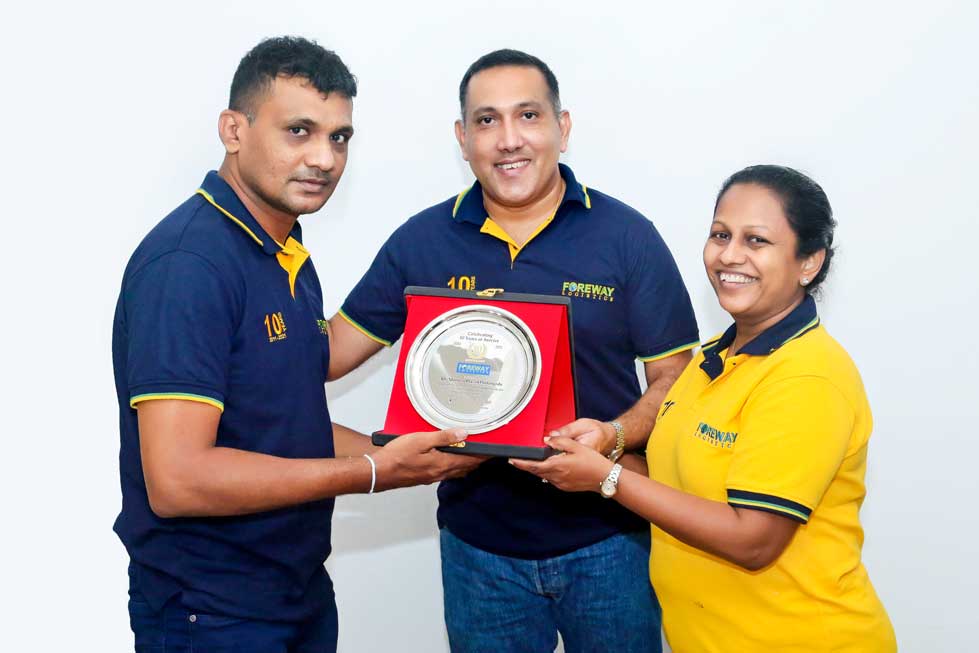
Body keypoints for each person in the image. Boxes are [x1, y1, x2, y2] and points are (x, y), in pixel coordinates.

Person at [112, 36, 480, 653]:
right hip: (211, 607)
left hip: (296, 588)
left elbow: (283, 422)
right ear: (233, 130)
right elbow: (177, 480)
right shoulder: (189, 264)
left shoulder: (284, 250)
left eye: (340, 137)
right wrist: (372, 471)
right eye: (299, 131)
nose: (324, 158)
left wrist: (403, 457)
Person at [327, 49, 699, 652]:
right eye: (486, 120)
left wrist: (614, 435)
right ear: (462, 138)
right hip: (478, 548)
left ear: (562, 128)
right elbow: (328, 353)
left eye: (528, 116)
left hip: (610, 538)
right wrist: (245, 307)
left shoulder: (628, 237)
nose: (508, 139)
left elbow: (676, 379)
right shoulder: (421, 241)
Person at [513, 165, 897, 652]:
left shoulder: (807, 376)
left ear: (809, 263)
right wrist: (600, 448)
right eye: (721, 235)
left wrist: (606, 479)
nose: (729, 255)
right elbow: (677, 480)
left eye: (756, 240)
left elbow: (753, 540)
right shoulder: (712, 357)